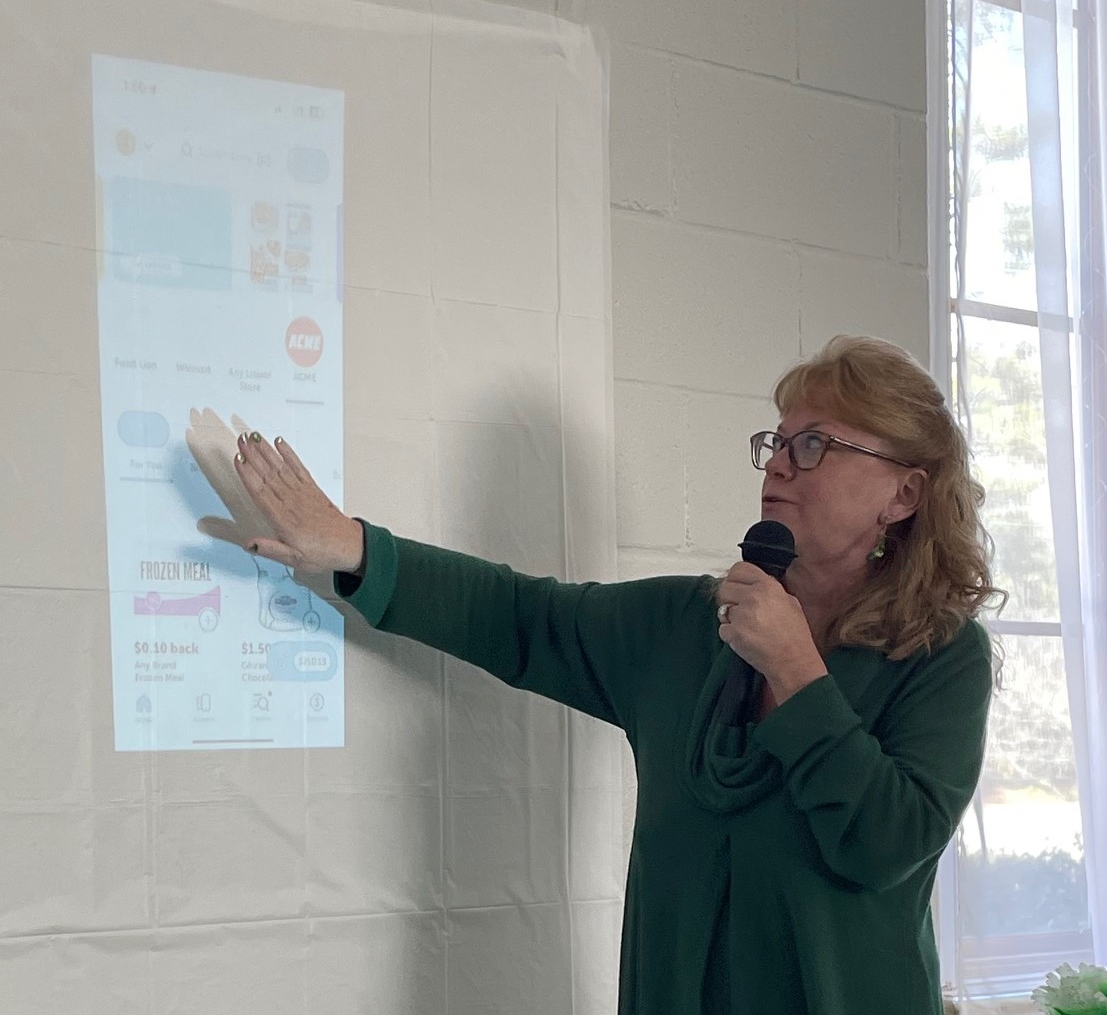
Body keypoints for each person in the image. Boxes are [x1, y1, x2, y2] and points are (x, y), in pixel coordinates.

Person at [210, 334, 1004, 1015]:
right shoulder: (688, 626)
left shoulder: (940, 656)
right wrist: (352, 547)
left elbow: (884, 845)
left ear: (903, 494)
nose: (780, 465)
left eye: (815, 445)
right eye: (777, 441)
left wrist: (795, 669)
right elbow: (521, 617)